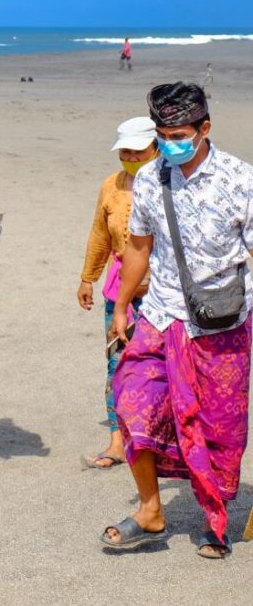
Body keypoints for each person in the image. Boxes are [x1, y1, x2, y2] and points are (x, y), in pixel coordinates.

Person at [102, 82, 253, 559]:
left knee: (220, 430)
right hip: (160, 315)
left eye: (180, 133)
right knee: (131, 399)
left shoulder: (240, 180)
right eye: (163, 134)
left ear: (205, 128)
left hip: (223, 324)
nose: (171, 143)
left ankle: (215, 523)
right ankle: (151, 510)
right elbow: (139, 248)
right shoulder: (149, 178)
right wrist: (123, 306)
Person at [77, 117, 158, 469]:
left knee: (162, 368)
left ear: (155, 149)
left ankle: (157, 440)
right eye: (125, 151)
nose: (131, 156)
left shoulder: (172, 185)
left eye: (138, 151)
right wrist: (87, 277)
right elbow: (99, 234)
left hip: (164, 294)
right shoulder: (111, 186)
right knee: (117, 362)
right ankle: (117, 440)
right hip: (119, 292)